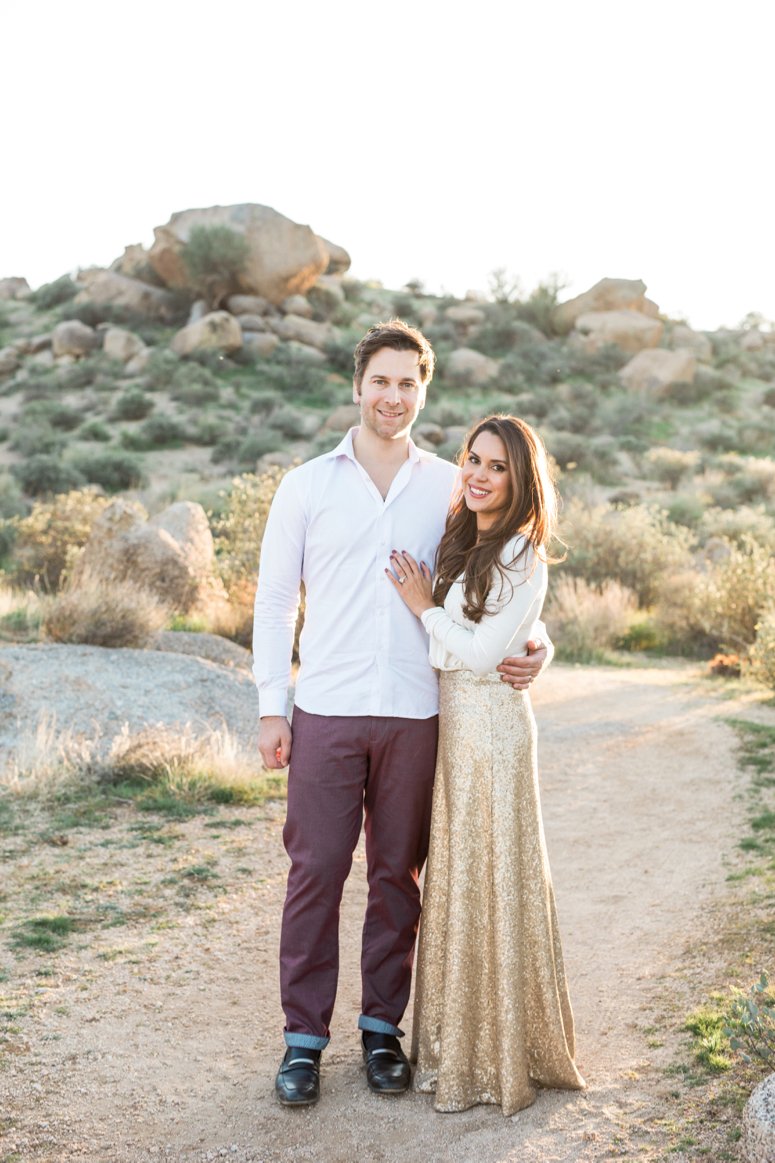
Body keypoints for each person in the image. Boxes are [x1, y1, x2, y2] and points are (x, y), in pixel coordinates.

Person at [252, 321, 551, 1108]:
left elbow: (493, 579)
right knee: (315, 872)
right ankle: (302, 1041)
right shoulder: (307, 484)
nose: (393, 396)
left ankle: (381, 1029)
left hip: (419, 714)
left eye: (407, 383)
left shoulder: (445, 489)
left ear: (424, 390)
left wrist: (538, 641)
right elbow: (277, 599)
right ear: (358, 385)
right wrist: (268, 707)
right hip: (325, 707)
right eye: (380, 381)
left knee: (397, 878)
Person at [387, 414, 584, 1116]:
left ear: (520, 478)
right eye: (473, 459)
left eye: (496, 465)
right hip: (457, 726)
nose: (477, 473)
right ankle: (457, 1042)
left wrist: (420, 608)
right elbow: (500, 629)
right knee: (462, 876)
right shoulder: (468, 536)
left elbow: (475, 652)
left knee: (495, 874)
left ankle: (502, 1052)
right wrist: (533, 641)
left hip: (494, 729)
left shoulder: (522, 551)